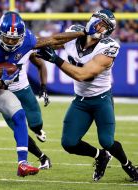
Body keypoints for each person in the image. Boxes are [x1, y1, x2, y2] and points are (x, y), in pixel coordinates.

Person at [0, 11, 97, 176]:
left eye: (14, 38)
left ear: (22, 36)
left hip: (16, 87)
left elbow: (54, 39)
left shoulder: (29, 41)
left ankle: (25, 159)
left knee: (28, 119)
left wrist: (83, 32)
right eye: (7, 37)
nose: (10, 41)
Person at [36, 9, 138, 182]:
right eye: (99, 23)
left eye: (106, 27)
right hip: (81, 100)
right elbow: (49, 41)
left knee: (107, 140)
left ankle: (128, 165)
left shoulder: (109, 46)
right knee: (69, 143)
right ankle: (100, 156)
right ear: (92, 20)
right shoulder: (74, 33)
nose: (100, 29)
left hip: (101, 99)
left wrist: (56, 60)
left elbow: (83, 75)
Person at [2, 51, 52, 169]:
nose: (10, 42)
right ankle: (43, 157)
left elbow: (41, 65)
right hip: (4, 95)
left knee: (36, 123)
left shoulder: (25, 47)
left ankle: (37, 130)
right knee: (19, 132)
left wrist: (43, 86)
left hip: (23, 90)